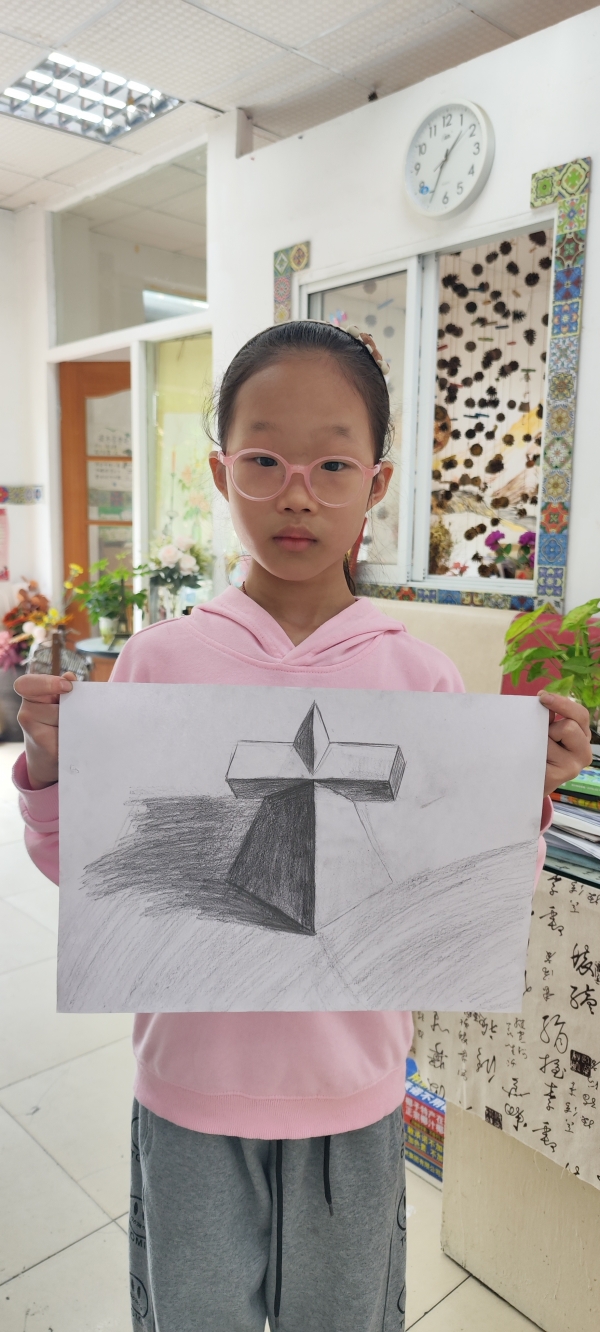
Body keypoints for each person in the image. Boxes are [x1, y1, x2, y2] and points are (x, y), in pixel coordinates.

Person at [14, 321, 591, 1332]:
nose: (297, 494)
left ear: (376, 485)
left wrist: (525, 796)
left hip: (354, 1089)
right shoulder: (158, 665)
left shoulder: (419, 678)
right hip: (191, 1087)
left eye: (331, 465)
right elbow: (94, 877)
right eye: (264, 461)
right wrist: (54, 773)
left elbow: (462, 899)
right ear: (220, 472)